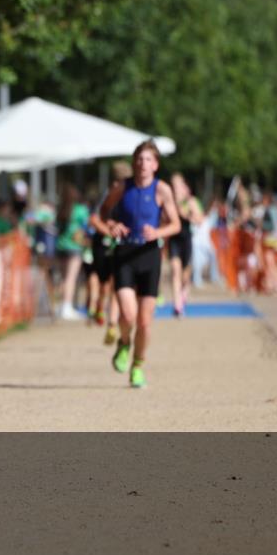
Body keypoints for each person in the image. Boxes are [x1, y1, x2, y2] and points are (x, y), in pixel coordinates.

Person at [91, 140, 180, 388]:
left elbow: (176, 224)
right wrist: (112, 225)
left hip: (150, 256)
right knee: (128, 316)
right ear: (134, 163)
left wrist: (159, 232)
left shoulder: (162, 190)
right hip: (125, 254)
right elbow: (103, 212)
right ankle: (124, 342)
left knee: (144, 321)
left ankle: (138, 364)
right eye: (139, 159)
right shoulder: (122, 187)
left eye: (148, 159)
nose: (143, 164)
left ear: (156, 165)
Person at [87, 162, 133, 343]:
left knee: (116, 284)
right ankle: (99, 305)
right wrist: (107, 231)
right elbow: (94, 219)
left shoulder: (130, 196)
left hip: (119, 244)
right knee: (104, 284)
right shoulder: (107, 196)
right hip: (102, 243)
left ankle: (112, 324)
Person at [168, 173, 204, 316]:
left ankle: (183, 295)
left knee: (185, 276)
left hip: (187, 240)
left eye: (178, 184)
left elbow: (199, 220)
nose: (175, 188)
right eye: (173, 184)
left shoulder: (191, 201)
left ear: (184, 186)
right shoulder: (169, 201)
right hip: (174, 240)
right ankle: (177, 305)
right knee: (175, 271)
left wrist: (186, 214)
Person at [55, 184, 90, 320]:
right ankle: (67, 306)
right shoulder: (80, 210)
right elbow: (86, 226)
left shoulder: (61, 209)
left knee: (63, 278)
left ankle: (62, 304)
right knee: (71, 278)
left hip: (61, 246)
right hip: (74, 247)